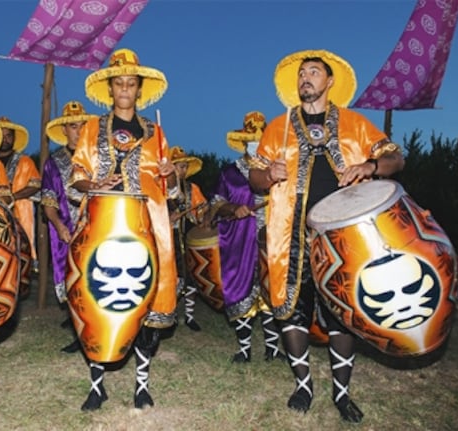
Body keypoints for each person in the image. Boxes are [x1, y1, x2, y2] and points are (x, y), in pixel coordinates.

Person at [248, 49, 405, 423]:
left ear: (329, 82)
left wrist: (370, 165)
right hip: (290, 234)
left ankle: (342, 392)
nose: (306, 78)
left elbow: (396, 159)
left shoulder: (355, 123)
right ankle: (303, 384)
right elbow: (253, 179)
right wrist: (268, 175)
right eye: (302, 73)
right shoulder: (277, 127)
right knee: (291, 311)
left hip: (341, 236)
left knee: (342, 314)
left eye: (314, 72)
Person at [69, 48, 178, 410]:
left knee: (146, 299)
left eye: (131, 84)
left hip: (150, 225)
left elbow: (172, 187)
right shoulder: (91, 129)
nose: (125, 89)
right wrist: (97, 181)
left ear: (138, 90)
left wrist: (169, 173)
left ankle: (142, 383)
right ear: (110, 90)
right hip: (101, 225)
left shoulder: (155, 131)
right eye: (119, 84)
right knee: (98, 299)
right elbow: (77, 177)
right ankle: (97, 385)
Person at [210, 111, 283, 363]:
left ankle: (273, 348)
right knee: (241, 289)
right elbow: (216, 204)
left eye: (260, 139)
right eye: (251, 139)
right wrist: (234, 209)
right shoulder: (230, 173)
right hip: (240, 239)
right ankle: (244, 349)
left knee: (271, 290)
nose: (256, 144)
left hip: (272, 240)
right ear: (244, 142)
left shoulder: (276, 171)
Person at [40, 100, 97, 354]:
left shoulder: (98, 158)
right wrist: (58, 225)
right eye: (73, 126)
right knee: (74, 284)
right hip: (68, 231)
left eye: (83, 125)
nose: (78, 130)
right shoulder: (54, 163)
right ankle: (80, 334)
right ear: (65, 130)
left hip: (97, 228)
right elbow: (48, 201)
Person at [167, 146, 209, 332]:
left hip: (188, 238)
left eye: (184, 166)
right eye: (178, 166)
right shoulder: (160, 187)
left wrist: (203, 217)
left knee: (191, 277)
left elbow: (202, 211)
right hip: (169, 240)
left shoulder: (193, 189)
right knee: (173, 278)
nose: (182, 170)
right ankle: (172, 315)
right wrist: (168, 217)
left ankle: (190, 316)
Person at [0, 116, 41, 268]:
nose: (5, 139)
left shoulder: (24, 161)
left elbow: (35, 185)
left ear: (14, 138)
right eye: (1, 135)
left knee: (21, 260)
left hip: (20, 217)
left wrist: (12, 198)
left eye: (9, 135)